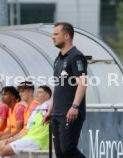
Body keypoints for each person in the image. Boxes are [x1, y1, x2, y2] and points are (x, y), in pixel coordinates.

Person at [43, 22, 87, 158]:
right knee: (61, 153)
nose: (53, 37)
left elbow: (83, 83)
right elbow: (58, 86)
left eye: (56, 34)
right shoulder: (58, 59)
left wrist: (75, 106)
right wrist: (50, 109)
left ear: (67, 36)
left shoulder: (76, 56)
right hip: (57, 113)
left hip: (70, 112)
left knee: (68, 149)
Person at [0, 85, 52, 158]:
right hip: (28, 138)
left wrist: (8, 139)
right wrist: (10, 139)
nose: (37, 94)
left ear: (47, 96)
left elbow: (19, 129)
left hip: (36, 141)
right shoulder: (36, 109)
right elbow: (26, 131)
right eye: (37, 92)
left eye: (40, 92)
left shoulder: (47, 107)